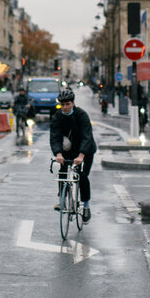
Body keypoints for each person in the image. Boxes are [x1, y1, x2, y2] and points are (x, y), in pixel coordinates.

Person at [50, 87, 96, 222]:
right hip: (68, 150)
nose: (65, 107)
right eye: (62, 105)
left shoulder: (81, 115)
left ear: (73, 103)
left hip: (85, 149)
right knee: (62, 173)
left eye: (68, 104)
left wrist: (81, 156)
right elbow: (55, 136)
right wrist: (58, 154)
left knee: (82, 177)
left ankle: (86, 206)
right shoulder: (57, 117)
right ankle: (62, 201)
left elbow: (86, 137)